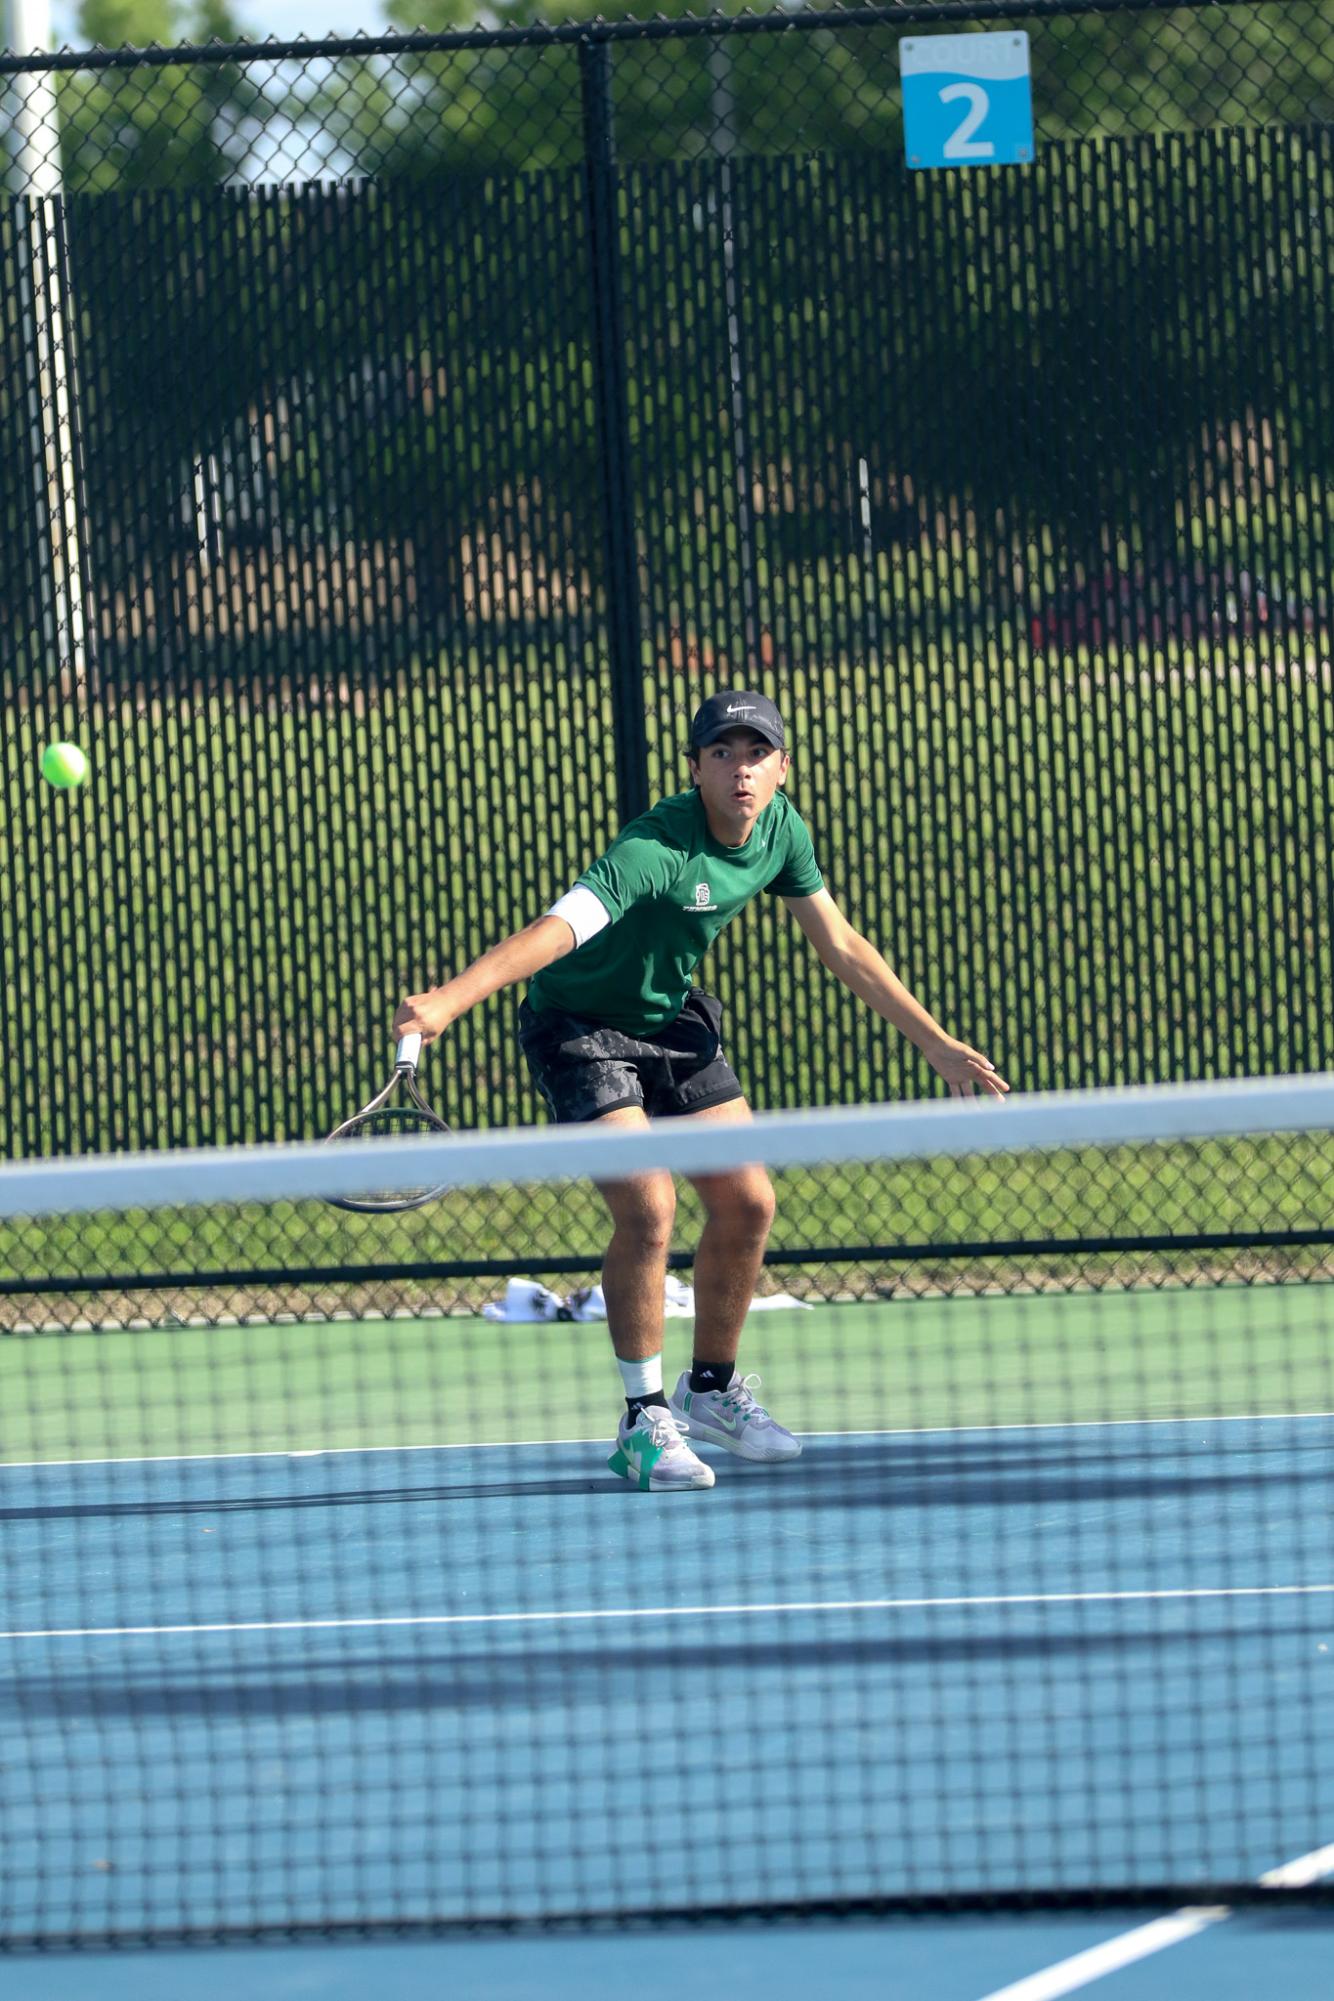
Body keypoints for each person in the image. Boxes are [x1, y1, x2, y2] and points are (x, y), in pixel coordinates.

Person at [394, 689, 1009, 1493]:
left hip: (672, 1023)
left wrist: (936, 1043)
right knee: (648, 1208)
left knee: (749, 1200)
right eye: (722, 752)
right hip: (579, 1028)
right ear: (696, 770)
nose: (740, 769)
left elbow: (843, 943)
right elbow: (559, 927)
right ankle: (642, 1422)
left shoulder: (782, 831)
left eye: (757, 753)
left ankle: (711, 1390)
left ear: (783, 768)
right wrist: (448, 1000)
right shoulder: (655, 846)